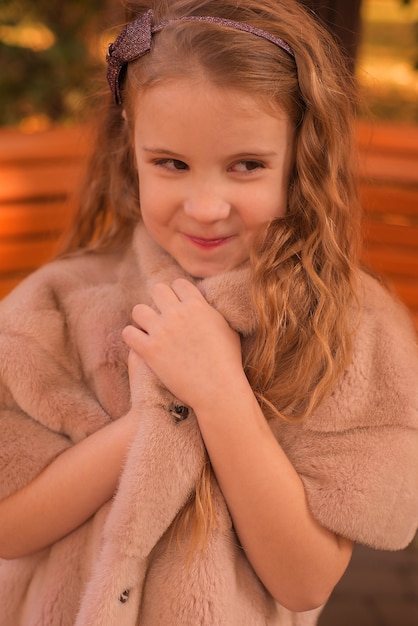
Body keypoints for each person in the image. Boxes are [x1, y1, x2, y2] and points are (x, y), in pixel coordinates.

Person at [0, 1, 417, 624]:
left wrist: (220, 390)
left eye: (246, 166)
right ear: (131, 152)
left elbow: (304, 581)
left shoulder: (348, 329)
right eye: (171, 164)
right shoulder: (55, 306)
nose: (204, 207)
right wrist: (163, 414)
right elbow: (8, 528)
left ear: (300, 160)